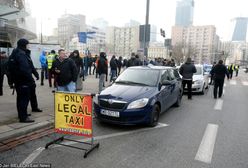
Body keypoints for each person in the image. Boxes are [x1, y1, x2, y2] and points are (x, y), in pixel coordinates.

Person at [9, 38, 42, 123]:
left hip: (19, 80)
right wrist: (31, 79)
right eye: (28, 44)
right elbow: (25, 69)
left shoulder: (17, 52)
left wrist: (35, 73)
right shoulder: (21, 54)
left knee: (21, 98)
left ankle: (23, 114)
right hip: (24, 80)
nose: (29, 45)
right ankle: (23, 117)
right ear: (24, 45)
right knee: (23, 99)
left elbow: (30, 65)